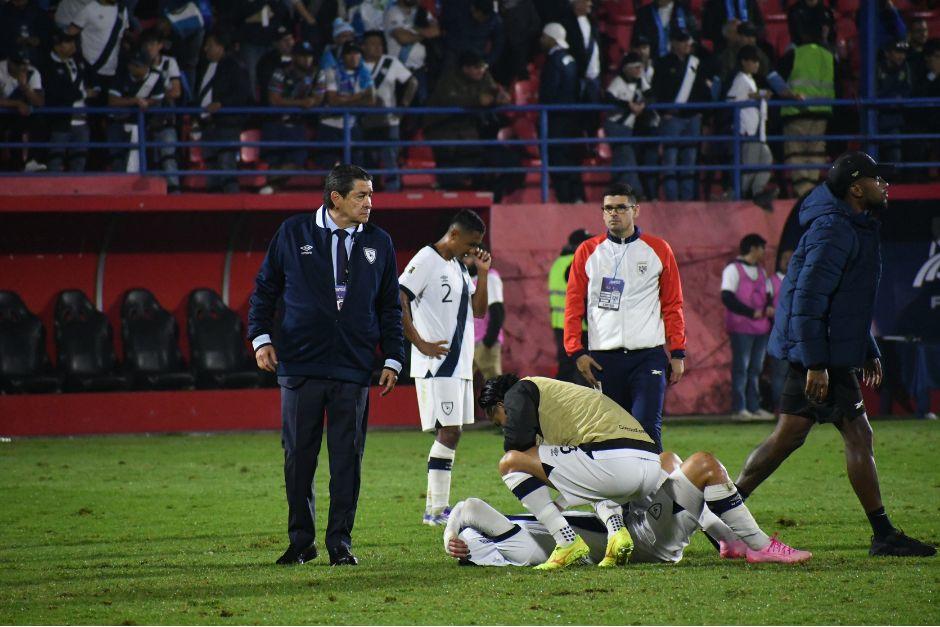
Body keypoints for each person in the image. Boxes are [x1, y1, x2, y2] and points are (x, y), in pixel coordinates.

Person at [735, 151, 937, 558]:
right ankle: (882, 533)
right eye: (878, 180)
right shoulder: (834, 230)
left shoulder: (851, 226)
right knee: (854, 434)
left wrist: (867, 347)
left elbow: (849, 304)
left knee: (787, 438)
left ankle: (722, 509)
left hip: (821, 352)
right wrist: (817, 363)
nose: (885, 186)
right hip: (817, 355)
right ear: (856, 188)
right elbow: (808, 301)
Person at [248, 164, 405, 567]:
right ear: (336, 198)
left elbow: (389, 305)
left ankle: (340, 543)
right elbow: (266, 288)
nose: (370, 203)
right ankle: (301, 541)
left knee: (346, 459)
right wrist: (261, 337)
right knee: (298, 457)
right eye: (362, 195)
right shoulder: (293, 232)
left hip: (353, 366)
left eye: (371, 195)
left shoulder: (380, 242)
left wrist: (393, 356)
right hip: (300, 364)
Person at [444, 449, 811, 566]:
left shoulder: (512, 542)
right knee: (704, 465)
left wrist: (453, 535)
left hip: (638, 529)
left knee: (668, 459)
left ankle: (725, 538)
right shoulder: (514, 543)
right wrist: (452, 529)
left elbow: (467, 512)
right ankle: (760, 545)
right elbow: (471, 508)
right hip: (645, 537)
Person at [564, 182, 686, 451]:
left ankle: (648, 493)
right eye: (608, 208)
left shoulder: (658, 249)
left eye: (621, 207)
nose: (614, 213)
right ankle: (615, 493)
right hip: (603, 359)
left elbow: (672, 304)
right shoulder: (587, 251)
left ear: (636, 210)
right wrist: (576, 352)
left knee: (646, 427)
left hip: (648, 356)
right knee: (610, 433)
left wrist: (677, 351)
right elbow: (573, 305)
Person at [398, 210, 492, 526]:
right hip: (437, 364)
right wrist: (419, 342)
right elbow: (399, 296)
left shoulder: (457, 267)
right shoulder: (426, 258)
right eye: (471, 242)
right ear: (454, 234)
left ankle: (438, 509)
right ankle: (435, 511)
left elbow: (479, 312)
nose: (474, 248)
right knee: (449, 431)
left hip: (459, 364)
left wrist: (482, 272)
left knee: (453, 432)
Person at [777, 22, 835, 198]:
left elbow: (777, 81)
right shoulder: (828, 56)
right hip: (821, 114)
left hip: (796, 113)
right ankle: (810, 191)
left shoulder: (794, 54)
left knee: (797, 153)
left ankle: (802, 193)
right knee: (815, 153)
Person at [259, 40, 325, 195]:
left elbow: (317, 99)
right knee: (273, 160)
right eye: (302, 56)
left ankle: (271, 186)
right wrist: (301, 102)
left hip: (297, 125)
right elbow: (274, 99)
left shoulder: (317, 73)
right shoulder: (281, 72)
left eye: (309, 56)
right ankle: (272, 190)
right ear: (294, 56)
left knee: (297, 161)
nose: (306, 60)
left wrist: (301, 103)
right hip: (276, 123)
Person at [652, 29, 710, 201]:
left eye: (688, 42)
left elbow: (703, 90)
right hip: (673, 118)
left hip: (692, 118)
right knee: (670, 160)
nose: (687, 45)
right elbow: (657, 90)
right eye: (683, 41)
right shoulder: (663, 63)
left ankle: (687, 199)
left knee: (690, 161)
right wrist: (664, 112)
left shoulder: (696, 63)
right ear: (674, 43)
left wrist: (701, 114)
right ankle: (672, 199)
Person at [721, 233, 774, 420]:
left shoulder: (761, 270)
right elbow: (727, 297)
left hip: (760, 329)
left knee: (755, 369)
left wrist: (767, 307)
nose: (763, 252)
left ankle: (753, 407)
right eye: (762, 248)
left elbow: (768, 293)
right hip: (741, 328)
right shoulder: (733, 269)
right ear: (753, 248)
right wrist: (751, 313)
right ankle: (739, 408)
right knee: (741, 368)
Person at [194, 29, 253, 193]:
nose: (205, 49)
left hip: (227, 125)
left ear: (221, 47)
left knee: (226, 166)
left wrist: (221, 105)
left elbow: (243, 94)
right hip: (208, 125)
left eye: (209, 45)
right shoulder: (206, 66)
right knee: (211, 169)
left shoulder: (234, 65)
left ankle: (232, 209)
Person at [360, 29, 418, 192]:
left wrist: (404, 105)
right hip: (363, 119)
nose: (377, 47)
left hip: (389, 119)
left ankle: (393, 189)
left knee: (390, 156)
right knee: (368, 158)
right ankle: (369, 192)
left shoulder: (390, 62)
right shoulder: (357, 63)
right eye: (372, 44)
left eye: (380, 44)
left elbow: (412, 82)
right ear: (363, 47)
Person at [725, 45, 776, 210]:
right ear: (744, 62)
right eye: (753, 61)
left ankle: (757, 192)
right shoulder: (740, 79)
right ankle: (735, 196)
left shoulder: (749, 79)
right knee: (750, 168)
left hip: (757, 131)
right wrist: (757, 95)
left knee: (766, 160)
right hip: (748, 130)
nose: (757, 64)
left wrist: (757, 94)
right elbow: (732, 99)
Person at [539, 23, 585, 203]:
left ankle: (566, 199)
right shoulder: (570, 59)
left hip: (556, 119)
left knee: (559, 160)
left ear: (551, 38)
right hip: (572, 119)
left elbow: (549, 91)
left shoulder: (553, 61)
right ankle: (578, 196)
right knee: (572, 161)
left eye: (543, 37)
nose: (541, 40)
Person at [106, 48, 165, 174]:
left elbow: (157, 100)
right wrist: (135, 101)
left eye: (138, 65)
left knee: (140, 158)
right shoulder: (121, 75)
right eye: (132, 64)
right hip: (118, 123)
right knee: (117, 159)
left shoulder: (156, 77)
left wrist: (146, 102)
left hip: (142, 125)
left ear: (146, 66)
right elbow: (113, 101)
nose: (133, 68)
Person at [40, 30, 92, 172]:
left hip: (81, 119)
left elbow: (90, 78)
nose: (73, 45)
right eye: (68, 42)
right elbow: (57, 93)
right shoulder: (48, 66)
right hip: (60, 119)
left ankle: (77, 190)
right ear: (57, 47)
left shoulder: (78, 61)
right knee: (55, 159)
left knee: (79, 159)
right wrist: (83, 93)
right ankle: (52, 190)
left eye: (73, 41)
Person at [319, 41, 376, 169]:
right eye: (349, 54)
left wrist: (345, 100)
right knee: (328, 165)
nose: (354, 57)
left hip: (351, 124)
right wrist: (359, 96)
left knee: (356, 166)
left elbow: (371, 100)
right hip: (330, 124)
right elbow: (333, 100)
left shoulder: (364, 73)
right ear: (343, 56)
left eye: (356, 53)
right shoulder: (331, 72)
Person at [604, 52, 654, 196]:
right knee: (627, 157)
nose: (639, 70)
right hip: (616, 125)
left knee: (621, 158)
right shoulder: (618, 81)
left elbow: (651, 94)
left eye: (641, 67)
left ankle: (616, 189)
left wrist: (643, 104)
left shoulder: (640, 81)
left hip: (628, 126)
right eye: (636, 67)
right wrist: (628, 105)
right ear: (627, 68)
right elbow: (608, 98)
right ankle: (635, 192)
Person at [548, 228, 592, 386]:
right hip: (579, 325)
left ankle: (559, 404)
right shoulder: (577, 262)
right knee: (583, 369)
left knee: (566, 366)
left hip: (560, 324)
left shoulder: (558, 263)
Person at [66, 0, 129, 100]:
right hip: (89, 69)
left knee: (105, 109)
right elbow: (70, 34)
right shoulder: (89, 9)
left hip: (112, 70)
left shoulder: (122, 11)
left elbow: (121, 37)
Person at [0, 49, 44, 171]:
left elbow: (39, 102)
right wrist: (17, 103)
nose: (21, 67)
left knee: (36, 121)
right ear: (9, 61)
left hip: (19, 117)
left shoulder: (32, 72)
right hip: (2, 114)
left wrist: (25, 87)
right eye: (17, 64)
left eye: (24, 64)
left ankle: (28, 162)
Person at [463, 255, 505, 383]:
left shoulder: (490, 277)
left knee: (494, 389)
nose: (465, 259)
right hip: (468, 344)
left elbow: (497, 311)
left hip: (484, 343)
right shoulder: (466, 279)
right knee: (463, 386)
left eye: (468, 256)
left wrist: (488, 342)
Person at [876, 40, 912, 166]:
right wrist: (891, 99)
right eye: (898, 52)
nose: (901, 56)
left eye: (903, 52)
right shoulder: (877, 68)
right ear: (887, 53)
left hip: (894, 121)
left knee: (895, 159)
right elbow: (874, 93)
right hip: (876, 119)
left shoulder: (905, 68)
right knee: (874, 159)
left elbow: (906, 92)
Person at [767, 248, 793, 414]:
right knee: (779, 373)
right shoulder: (771, 281)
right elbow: (765, 306)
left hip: (798, 335)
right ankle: (780, 408)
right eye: (784, 258)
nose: (787, 261)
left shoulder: (800, 280)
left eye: (791, 258)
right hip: (779, 335)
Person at [632, 0, 699, 61]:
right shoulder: (644, 12)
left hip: (679, 61)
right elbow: (637, 40)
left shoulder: (684, 11)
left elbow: (694, 35)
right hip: (652, 61)